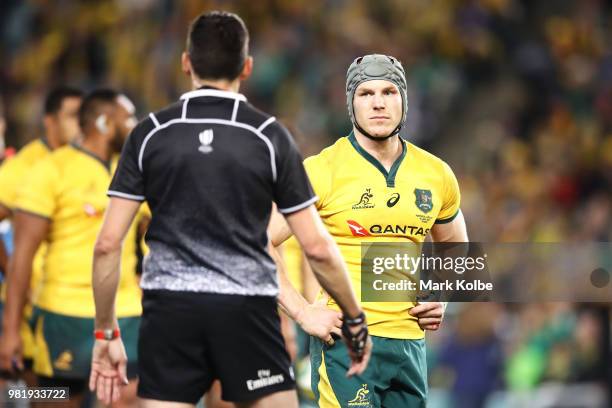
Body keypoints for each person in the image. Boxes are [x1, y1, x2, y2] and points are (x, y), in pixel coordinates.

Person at [89, 11, 371, 408]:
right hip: (246, 312)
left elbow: (106, 245)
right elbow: (318, 247)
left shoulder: (149, 134)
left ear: (186, 62)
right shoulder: (269, 136)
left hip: (170, 312)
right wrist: (353, 318)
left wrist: (106, 333)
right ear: (247, 67)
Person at [268, 54, 469, 407]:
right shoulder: (320, 170)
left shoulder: (436, 173)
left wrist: (442, 294)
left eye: (389, 91)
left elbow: (455, 244)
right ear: (351, 104)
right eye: (366, 93)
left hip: (410, 344)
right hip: (346, 343)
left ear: (404, 101)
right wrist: (302, 312)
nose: (378, 102)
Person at [0, 89, 143, 407]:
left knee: (129, 398)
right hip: (62, 315)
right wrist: (10, 331)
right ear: (105, 123)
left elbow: (155, 230)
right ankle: (17, 398)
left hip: (127, 314)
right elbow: (22, 254)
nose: (135, 126)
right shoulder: (49, 170)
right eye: (128, 118)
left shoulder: (134, 167)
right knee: (51, 397)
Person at [0, 86, 83, 383]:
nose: (81, 124)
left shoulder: (88, 163)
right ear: (50, 121)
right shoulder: (22, 167)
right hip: (32, 310)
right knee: (40, 393)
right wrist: (9, 267)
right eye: (73, 116)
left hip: (80, 308)